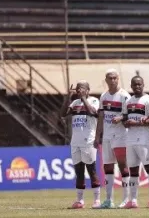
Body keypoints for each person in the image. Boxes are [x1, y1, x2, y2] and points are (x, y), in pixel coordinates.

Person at [95, 69, 131, 209]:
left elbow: (131, 114)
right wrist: (98, 136)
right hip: (107, 136)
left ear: (118, 79)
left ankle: (126, 199)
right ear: (106, 80)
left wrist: (121, 117)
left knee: (123, 166)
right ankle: (109, 200)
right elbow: (101, 117)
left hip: (121, 135)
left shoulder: (124, 96)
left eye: (115, 78)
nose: (113, 80)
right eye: (110, 78)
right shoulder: (103, 96)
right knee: (107, 167)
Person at [62, 81, 101, 209]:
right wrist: (67, 97)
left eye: (82, 88)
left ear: (88, 90)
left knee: (92, 170)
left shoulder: (94, 101)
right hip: (75, 142)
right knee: (79, 172)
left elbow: (92, 112)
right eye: (78, 89)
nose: (79, 90)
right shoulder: (74, 103)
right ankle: (80, 201)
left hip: (88, 141)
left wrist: (84, 98)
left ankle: (97, 200)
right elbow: (62, 114)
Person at [122, 76, 149, 209]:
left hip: (144, 139)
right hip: (130, 139)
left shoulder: (148, 100)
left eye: (139, 84)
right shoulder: (129, 101)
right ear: (131, 86)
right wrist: (124, 122)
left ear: (143, 84)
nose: (137, 87)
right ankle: (133, 201)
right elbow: (125, 117)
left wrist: (137, 122)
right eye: (134, 85)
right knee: (133, 170)